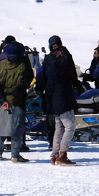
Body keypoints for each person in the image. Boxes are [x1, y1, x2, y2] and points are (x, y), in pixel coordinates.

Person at [39, 35, 81, 165]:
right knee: (70, 126)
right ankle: (63, 154)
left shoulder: (48, 59)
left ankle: (54, 155)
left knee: (59, 127)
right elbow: (73, 76)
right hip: (64, 95)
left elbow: (43, 77)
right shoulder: (66, 57)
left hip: (51, 97)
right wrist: (79, 86)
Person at [0, 41, 33, 162]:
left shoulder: (1, 64)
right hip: (18, 100)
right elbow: (26, 81)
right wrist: (13, 97)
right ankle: (15, 155)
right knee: (17, 128)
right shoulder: (23, 65)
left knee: (1, 127)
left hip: (3, 101)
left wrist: (2, 99)